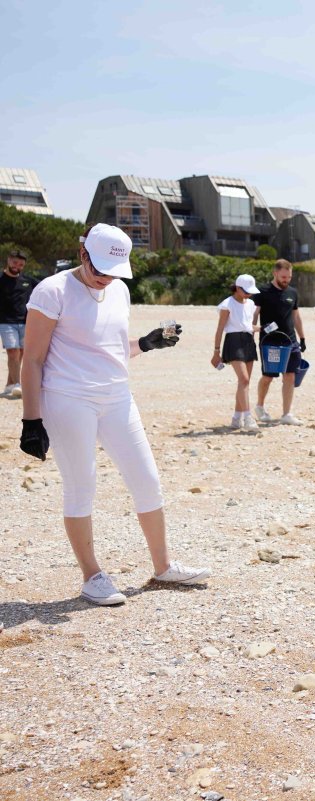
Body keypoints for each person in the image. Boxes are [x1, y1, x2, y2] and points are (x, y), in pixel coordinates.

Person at [18, 223, 210, 605]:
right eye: (100, 268)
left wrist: (146, 343)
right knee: (81, 487)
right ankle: (92, 577)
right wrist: (31, 420)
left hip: (118, 397)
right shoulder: (52, 291)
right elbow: (33, 360)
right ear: (82, 253)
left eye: (114, 271)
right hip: (68, 398)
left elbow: (112, 348)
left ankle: (163, 567)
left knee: (147, 480)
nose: (106, 278)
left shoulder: (119, 289)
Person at [252, 260, 306, 425]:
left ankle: (286, 413)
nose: (286, 280)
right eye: (283, 277)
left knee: (290, 376)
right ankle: (260, 406)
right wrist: (251, 333)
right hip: (270, 343)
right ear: (275, 273)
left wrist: (302, 338)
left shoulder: (293, 293)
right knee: (268, 377)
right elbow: (254, 315)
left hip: (290, 341)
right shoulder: (262, 291)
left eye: (289, 277)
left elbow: (296, 316)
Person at [211, 274, 260, 430]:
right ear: (238, 288)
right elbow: (220, 329)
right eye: (246, 291)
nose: (249, 294)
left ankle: (236, 418)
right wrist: (216, 352)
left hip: (248, 341)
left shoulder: (250, 304)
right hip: (233, 342)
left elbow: (248, 325)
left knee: (244, 382)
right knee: (244, 379)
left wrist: (260, 328)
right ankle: (248, 417)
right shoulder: (227, 304)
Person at [1, 248, 37, 398]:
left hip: (25, 322)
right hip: (5, 322)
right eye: (15, 263)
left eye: (21, 265)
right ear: (9, 260)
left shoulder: (28, 281)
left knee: (20, 354)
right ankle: (17, 384)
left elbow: (45, 288)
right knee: (13, 352)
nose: (17, 266)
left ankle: (10, 384)